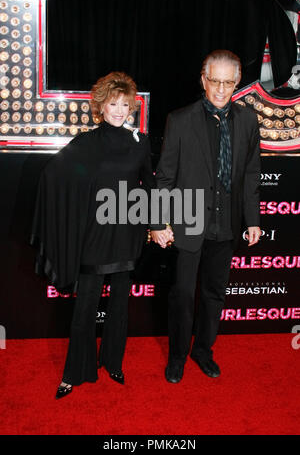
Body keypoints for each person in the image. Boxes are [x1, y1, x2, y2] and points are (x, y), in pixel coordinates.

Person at [31, 72, 155, 398]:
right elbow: (53, 177)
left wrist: (156, 224)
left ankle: (113, 362)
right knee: (84, 308)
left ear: (132, 107)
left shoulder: (140, 144)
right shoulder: (85, 144)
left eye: (124, 104)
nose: (118, 110)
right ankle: (75, 372)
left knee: (119, 307)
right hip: (93, 239)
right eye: (112, 103)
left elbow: (150, 189)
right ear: (100, 105)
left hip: (126, 236)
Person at [151, 50, 261, 383]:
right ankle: (178, 355)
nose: (220, 89)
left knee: (214, 294)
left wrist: (253, 219)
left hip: (226, 225)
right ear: (203, 79)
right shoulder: (180, 119)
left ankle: (203, 351)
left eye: (228, 82)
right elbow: (165, 177)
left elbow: (252, 173)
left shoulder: (247, 120)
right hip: (188, 222)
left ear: (237, 82)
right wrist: (157, 222)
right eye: (215, 81)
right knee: (183, 294)